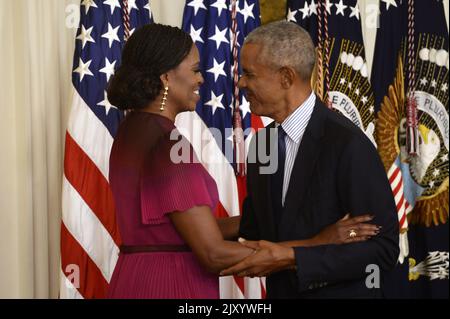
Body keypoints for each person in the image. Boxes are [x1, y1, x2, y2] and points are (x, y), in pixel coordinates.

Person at [106, 23, 380, 299]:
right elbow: (213, 254)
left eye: (248, 73)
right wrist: (316, 243)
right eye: (195, 70)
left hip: (133, 277)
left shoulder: (131, 131)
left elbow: (176, 228)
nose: (201, 80)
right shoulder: (167, 146)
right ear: (166, 76)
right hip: (172, 285)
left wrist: (270, 218)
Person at [221, 21, 400, 299]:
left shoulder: (348, 144)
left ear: (286, 77)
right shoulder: (262, 143)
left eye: (249, 74)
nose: (241, 82)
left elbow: (382, 248)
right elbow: (258, 227)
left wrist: (294, 256)